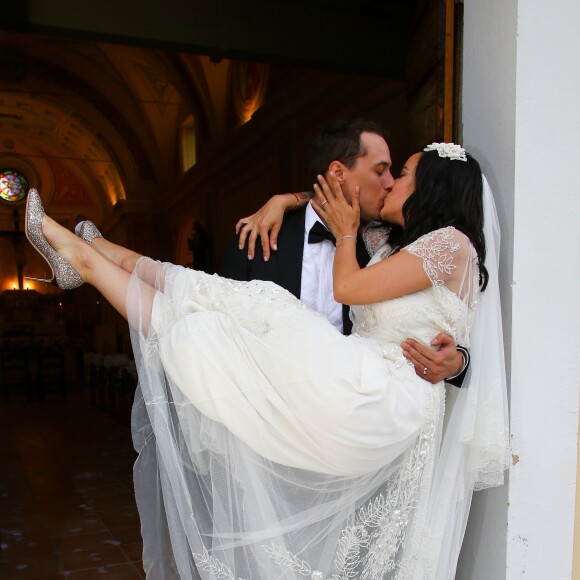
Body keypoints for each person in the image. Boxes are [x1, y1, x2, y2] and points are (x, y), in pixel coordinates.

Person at [24, 142, 509, 579]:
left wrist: (345, 238)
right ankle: (98, 257)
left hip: (382, 396)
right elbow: (339, 196)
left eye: (402, 173)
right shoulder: (392, 243)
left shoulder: (451, 243)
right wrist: (286, 200)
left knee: (260, 308)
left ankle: (91, 261)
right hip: (362, 378)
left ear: (432, 188)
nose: (390, 182)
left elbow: (349, 288)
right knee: (225, 318)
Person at [222, 119, 468, 386]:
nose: (390, 183)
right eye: (380, 171)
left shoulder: (388, 244)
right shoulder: (258, 236)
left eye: (395, 173)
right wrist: (287, 199)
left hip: (360, 411)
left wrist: (459, 361)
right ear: (338, 173)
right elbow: (224, 333)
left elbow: (449, 317)